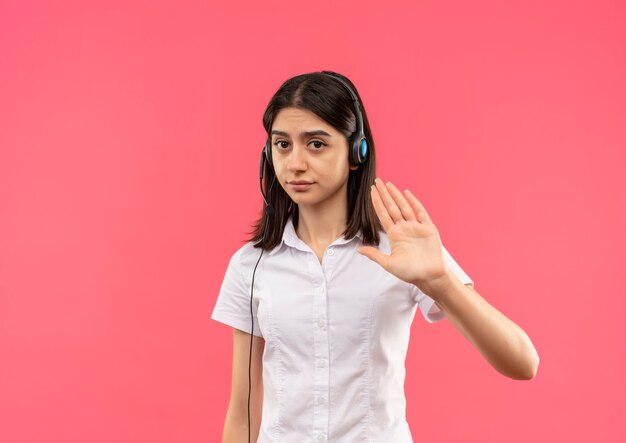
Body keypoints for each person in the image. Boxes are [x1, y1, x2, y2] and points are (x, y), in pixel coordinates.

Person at [211, 70, 539, 442]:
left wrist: (440, 282)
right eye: (282, 144)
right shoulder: (251, 264)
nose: (294, 163)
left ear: (357, 153)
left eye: (316, 144)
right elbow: (243, 410)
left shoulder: (402, 249)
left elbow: (523, 363)